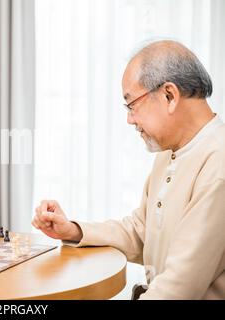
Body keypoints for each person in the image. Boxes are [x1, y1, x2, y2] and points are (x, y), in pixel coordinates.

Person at [32, 40, 225, 299]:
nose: (129, 119)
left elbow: (179, 288)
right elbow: (142, 231)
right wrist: (74, 230)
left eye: (131, 103)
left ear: (170, 95)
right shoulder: (170, 152)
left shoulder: (218, 164)